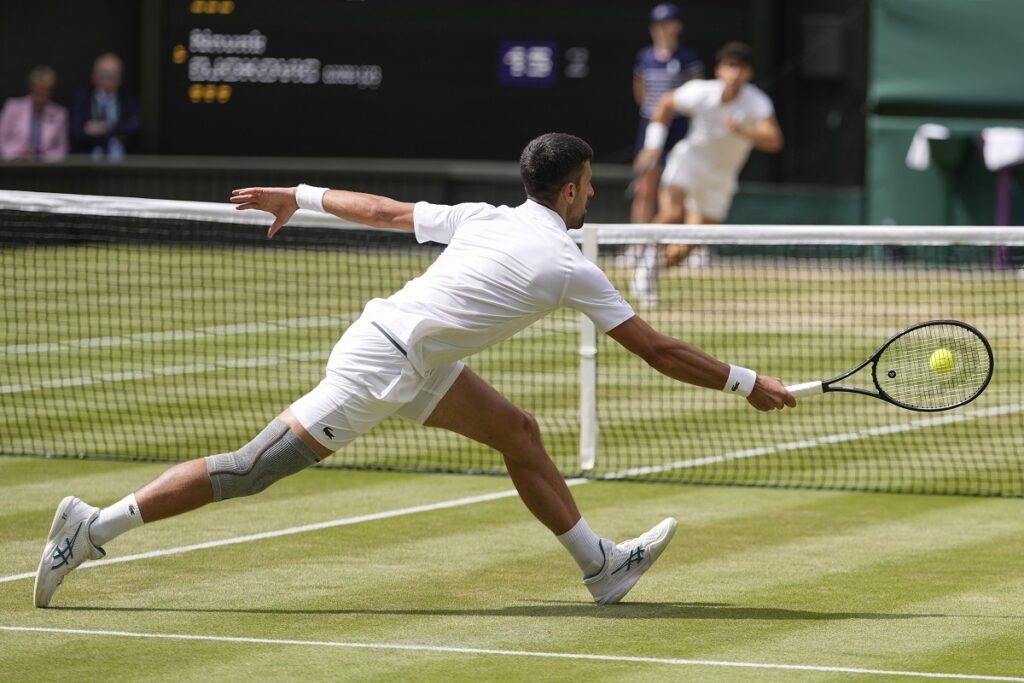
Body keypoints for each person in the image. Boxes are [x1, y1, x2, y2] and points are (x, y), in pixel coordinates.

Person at [33, 133, 796, 610]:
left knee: (518, 432)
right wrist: (745, 380)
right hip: (380, 362)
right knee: (250, 469)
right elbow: (658, 350)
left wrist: (298, 194)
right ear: (567, 192)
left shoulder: (483, 216)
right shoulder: (567, 263)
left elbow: (382, 211)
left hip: (415, 355)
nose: (594, 194)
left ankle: (600, 567)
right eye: (590, 185)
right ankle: (91, 527)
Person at [633, 42, 784, 306]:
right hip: (688, 161)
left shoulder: (757, 102)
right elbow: (666, 103)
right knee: (671, 213)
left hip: (721, 178)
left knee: (695, 241)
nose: (734, 74)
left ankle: (654, 270)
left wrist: (742, 130)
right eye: (730, 67)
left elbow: (774, 140)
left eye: (740, 68)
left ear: (748, 73)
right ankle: (644, 263)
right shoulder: (700, 92)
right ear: (719, 70)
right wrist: (654, 145)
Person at [630, 3, 704, 225]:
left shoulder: (688, 58)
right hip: (650, 127)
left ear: (677, 26)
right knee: (644, 188)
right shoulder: (644, 57)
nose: (662, 29)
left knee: (682, 189)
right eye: (658, 24)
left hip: (680, 127)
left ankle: (687, 244)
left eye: (667, 23)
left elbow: (697, 93)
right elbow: (640, 91)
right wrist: (655, 117)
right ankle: (638, 245)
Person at [69, 53, 142, 160]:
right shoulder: (82, 99)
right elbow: (76, 131)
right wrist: (114, 133)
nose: (110, 79)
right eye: (105, 75)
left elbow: (135, 126)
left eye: (114, 75)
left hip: (121, 161)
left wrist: (104, 128)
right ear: (94, 76)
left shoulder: (128, 100)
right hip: (87, 161)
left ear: (120, 79)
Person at [0, 66, 68, 162]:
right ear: (31, 87)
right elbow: (1, 141)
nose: (41, 92)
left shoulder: (60, 114)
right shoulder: (13, 107)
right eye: (38, 88)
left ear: (51, 90)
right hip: (14, 164)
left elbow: (61, 150)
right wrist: (18, 153)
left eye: (45, 89)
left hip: (47, 168)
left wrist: (42, 158)